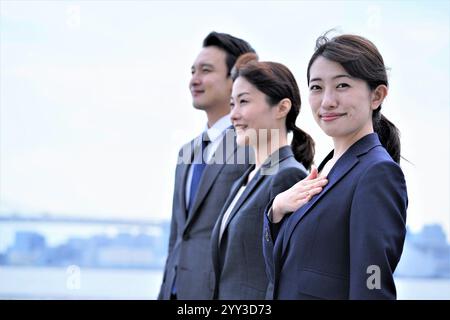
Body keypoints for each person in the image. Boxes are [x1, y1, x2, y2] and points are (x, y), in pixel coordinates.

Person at [263, 33, 408, 300]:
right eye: (316, 87)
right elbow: (287, 269)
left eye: (342, 85)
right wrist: (276, 210)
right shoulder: (327, 168)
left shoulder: (376, 173)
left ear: (377, 96)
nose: (327, 101)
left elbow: (372, 284)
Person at [210, 53, 321, 299]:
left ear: (282, 107)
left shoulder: (288, 176)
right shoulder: (245, 179)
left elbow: (287, 274)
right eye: (232, 104)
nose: (234, 115)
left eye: (244, 102)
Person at [158, 32, 255, 300]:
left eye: (206, 70)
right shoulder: (186, 152)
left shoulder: (252, 146)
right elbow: (179, 235)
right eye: (192, 71)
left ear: (234, 79)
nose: (194, 80)